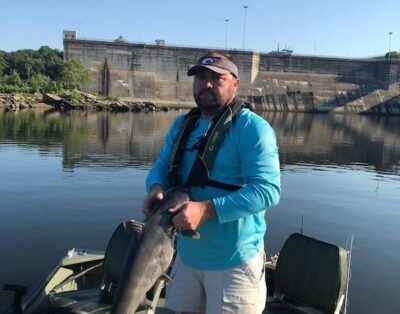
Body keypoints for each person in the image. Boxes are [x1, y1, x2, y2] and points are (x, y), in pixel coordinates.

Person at [142, 51, 281, 314]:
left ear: (235, 83)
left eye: (217, 78)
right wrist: (156, 188)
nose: (206, 84)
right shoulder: (183, 124)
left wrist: (206, 210)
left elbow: (268, 191)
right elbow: (161, 165)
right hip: (186, 256)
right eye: (201, 77)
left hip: (234, 262)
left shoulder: (252, 128)